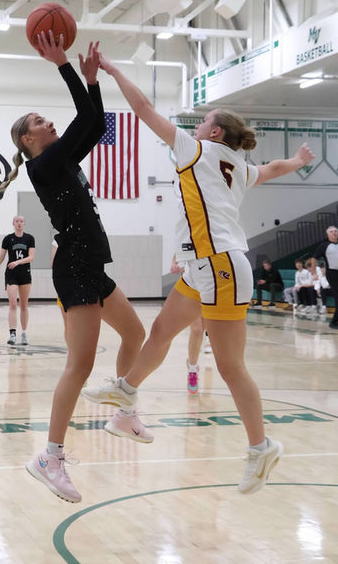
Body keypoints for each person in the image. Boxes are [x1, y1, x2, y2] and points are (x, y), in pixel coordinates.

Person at [93, 53, 315, 494]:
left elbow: (143, 109)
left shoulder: (195, 149)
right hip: (204, 266)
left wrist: (114, 71)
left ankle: (262, 447)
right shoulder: (236, 166)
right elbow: (271, 169)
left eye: (202, 123)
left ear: (214, 132)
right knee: (161, 331)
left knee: (231, 366)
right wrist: (296, 160)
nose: (194, 128)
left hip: (221, 265)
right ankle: (126, 393)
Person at [0, 32, 146, 503]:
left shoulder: (62, 160)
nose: (49, 122)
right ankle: (49, 457)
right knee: (80, 364)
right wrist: (66, 68)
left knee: (135, 335)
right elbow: (85, 121)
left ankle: (124, 412)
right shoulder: (45, 165)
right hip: (75, 267)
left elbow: (96, 123)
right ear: (28, 139)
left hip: (90, 264)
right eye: (40, 121)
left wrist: (92, 82)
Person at [0, 215, 35, 345]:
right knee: (13, 304)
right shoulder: (8, 239)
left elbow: (31, 257)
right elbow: (1, 257)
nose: (19, 223)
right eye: (17, 221)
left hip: (25, 274)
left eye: (21, 221)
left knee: (24, 305)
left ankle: (24, 333)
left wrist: (17, 262)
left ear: (24, 223)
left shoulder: (29, 238)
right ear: (13, 223)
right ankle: (12, 334)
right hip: (11, 274)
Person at [170, 254, 208, 394]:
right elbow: (180, 248)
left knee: (203, 329)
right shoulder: (191, 239)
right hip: (192, 283)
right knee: (196, 330)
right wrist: (174, 262)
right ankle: (192, 370)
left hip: (211, 283)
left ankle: (193, 360)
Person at [311, 226, 338, 329]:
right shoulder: (324, 246)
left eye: (335, 231)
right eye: (331, 231)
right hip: (332, 274)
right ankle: (334, 322)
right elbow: (314, 259)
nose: (334, 233)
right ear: (328, 234)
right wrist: (314, 273)